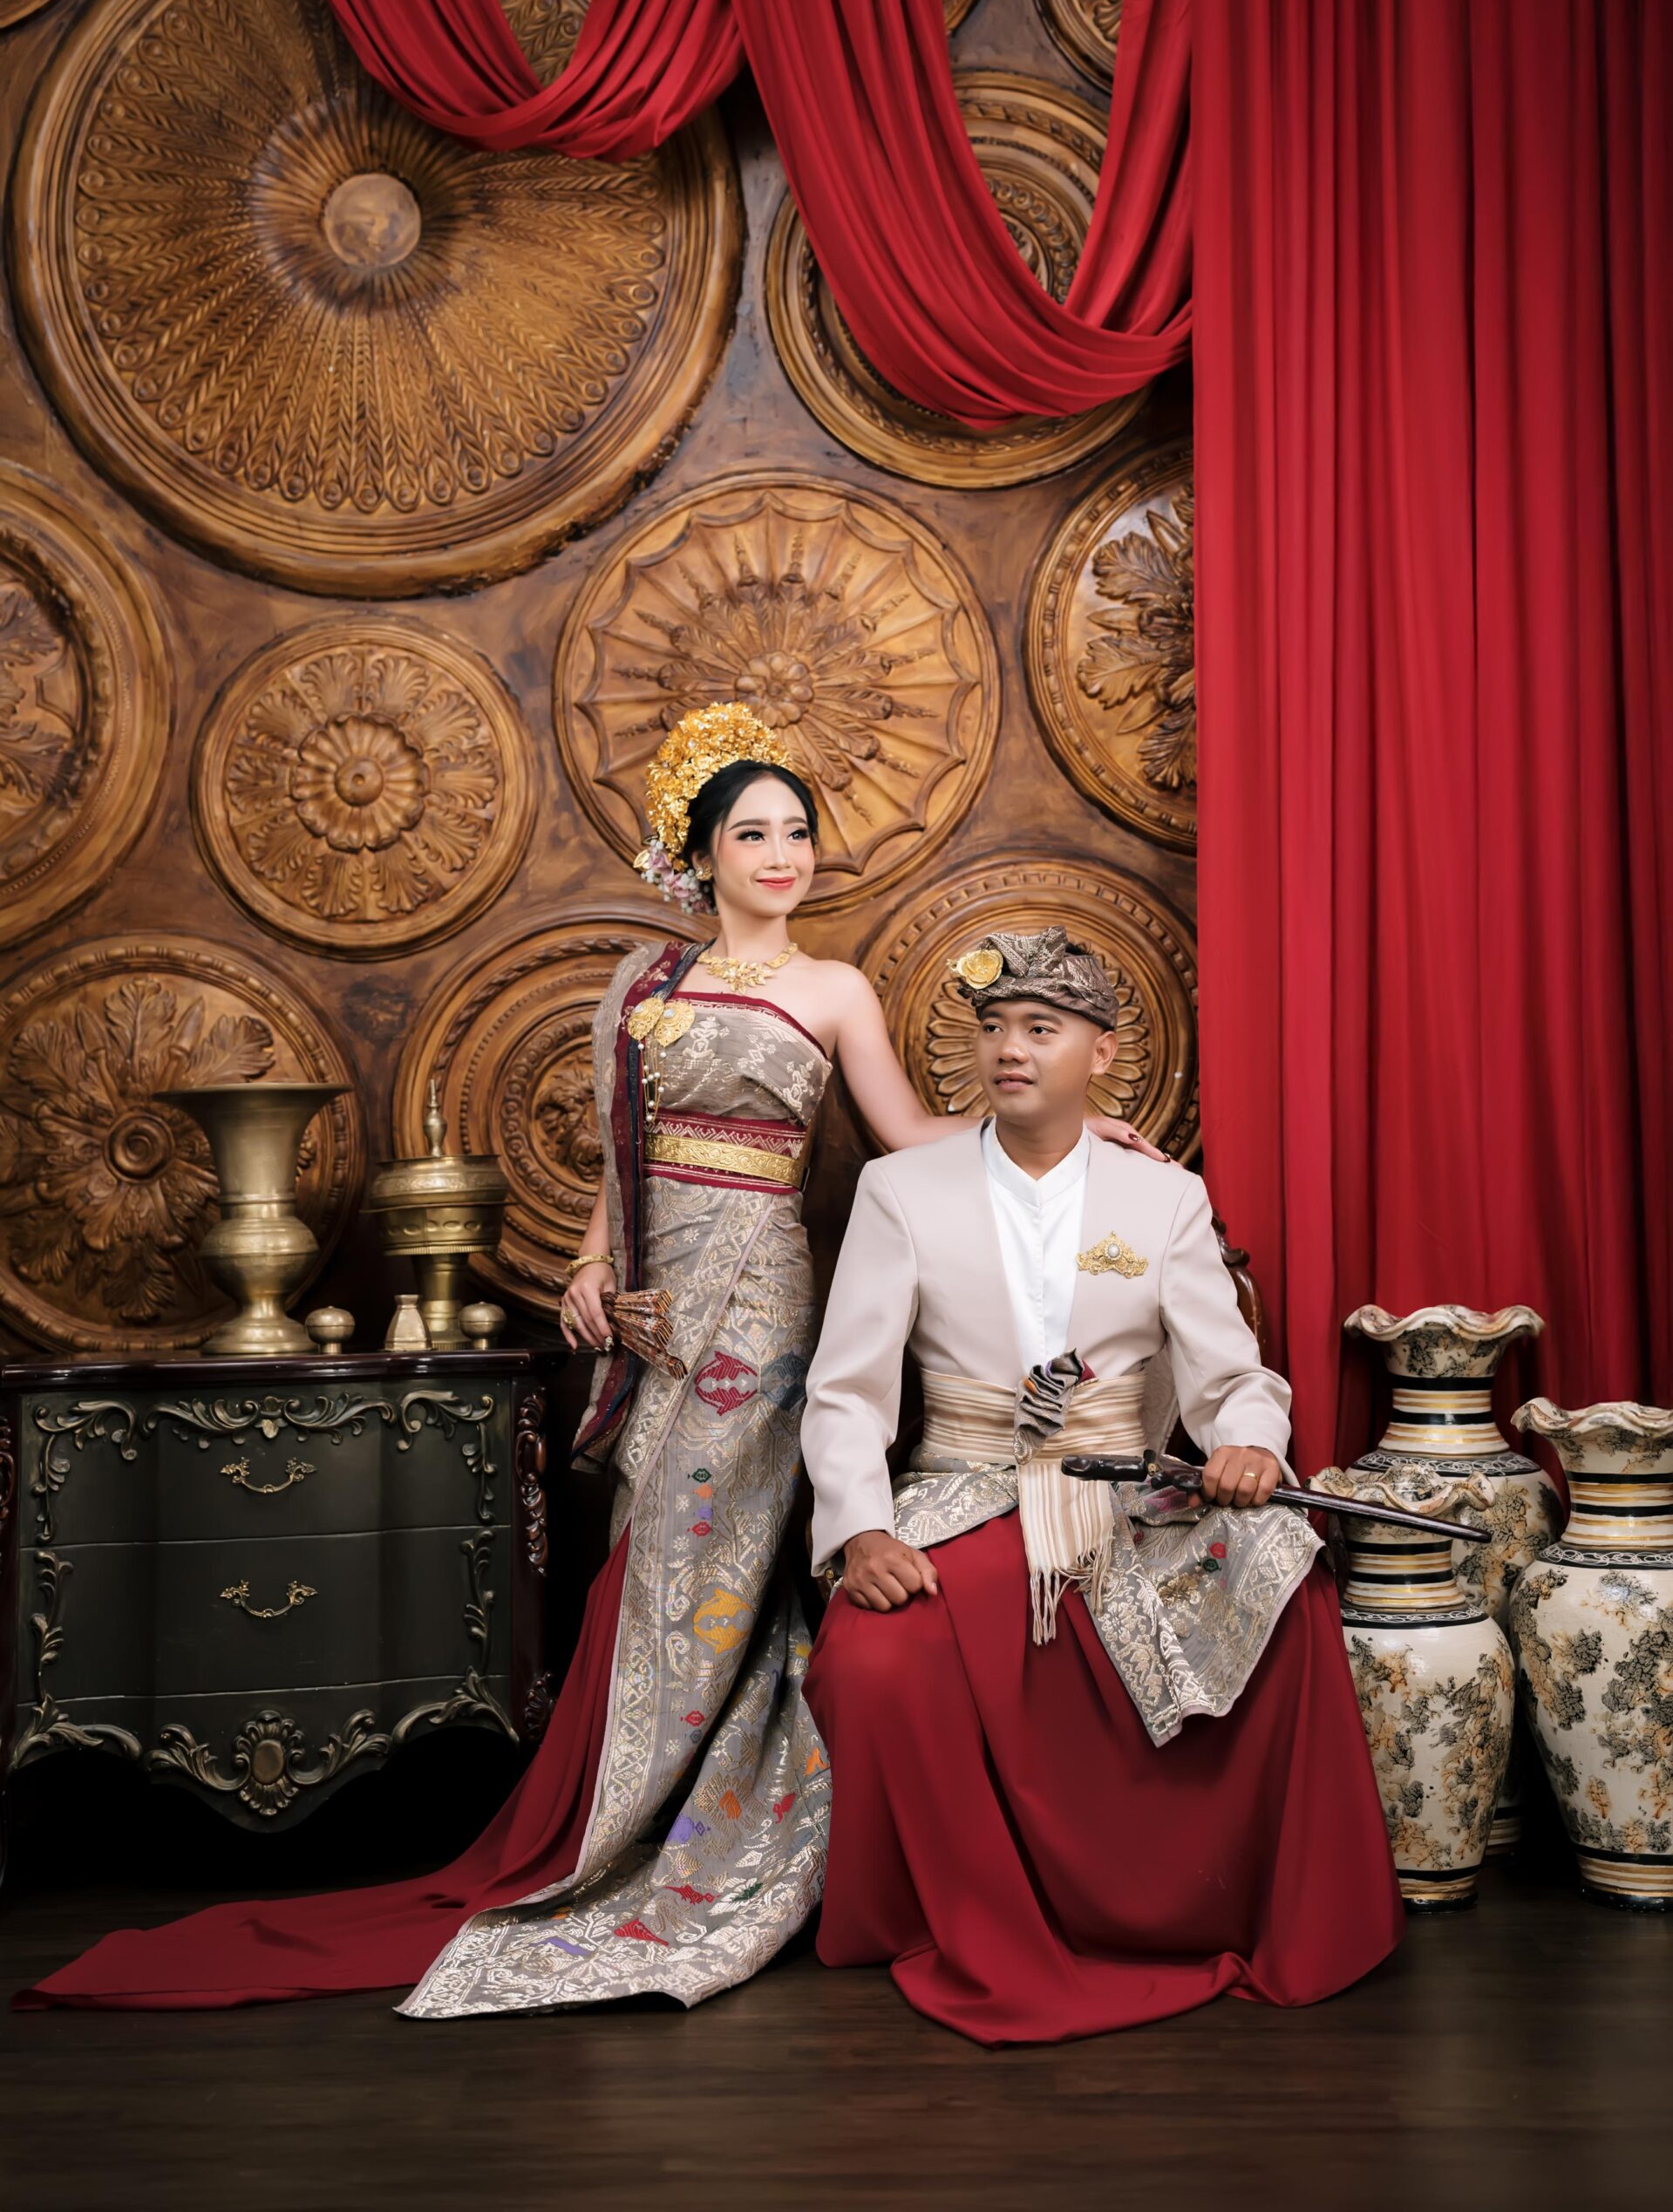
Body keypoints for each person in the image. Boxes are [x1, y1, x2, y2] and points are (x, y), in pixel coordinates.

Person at [24, 709, 1166, 2017]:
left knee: (726, 1550)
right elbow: (623, 1158)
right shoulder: (641, 984)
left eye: (797, 832)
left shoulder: (833, 989)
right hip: (653, 1304)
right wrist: (585, 1262)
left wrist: (1076, 1127)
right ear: (701, 852)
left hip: (761, 1304)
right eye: (754, 833)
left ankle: (667, 1818)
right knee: (652, 1538)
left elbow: (909, 1135)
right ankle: (619, 1803)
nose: (783, 854)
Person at [800, 926, 1405, 2046]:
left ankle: (1245, 1910)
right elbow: (844, 1391)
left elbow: (1234, 1380)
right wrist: (860, 1531)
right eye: (993, 1028)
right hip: (965, 1487)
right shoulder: (900, 1189)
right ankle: (951, 1918)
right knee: (875, 1655)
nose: (1009, 1050)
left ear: (1101, 1053)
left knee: (1289, 1580)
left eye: (1040, 1029)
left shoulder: (1160, 1199)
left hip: (1129, 1492)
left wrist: (1249, 1446)